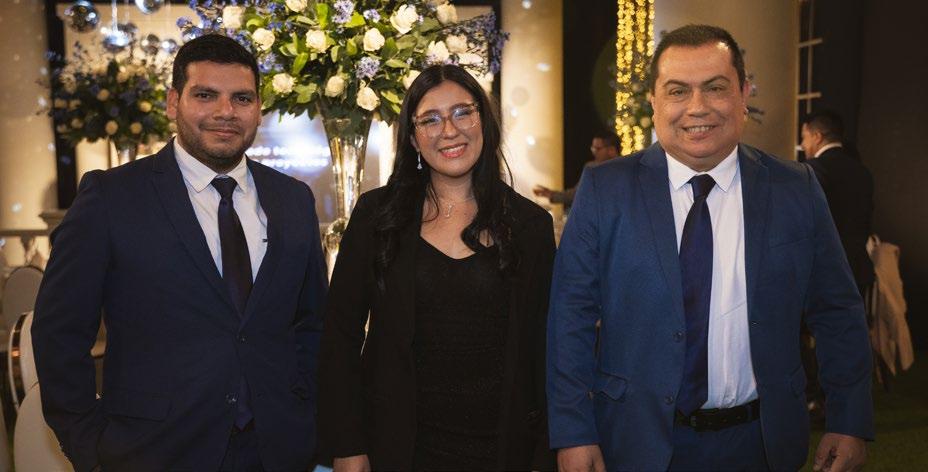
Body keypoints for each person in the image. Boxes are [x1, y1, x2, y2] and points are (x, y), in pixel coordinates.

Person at [547, 24, 872, 472]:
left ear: (743, 94)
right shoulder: (605, 189)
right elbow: (571, 317)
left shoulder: (796, 187)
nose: (697, 107)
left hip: (761, 445)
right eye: (678, 91)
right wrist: (573, 431)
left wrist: (849, 419)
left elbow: (836, 310)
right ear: (654, 101)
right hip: (635, 442)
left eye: (716, 88)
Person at [32, 34, 327, 471]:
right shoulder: (111, 198)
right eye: (205, 95)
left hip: (278, 450)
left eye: (242, 98)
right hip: (153, 451)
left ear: (258, 109)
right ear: (173, 102)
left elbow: (312, 325)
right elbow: (59, 332)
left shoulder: (293, 199)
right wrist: (91, 446)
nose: (226, 112)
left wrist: (307, 419)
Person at [318, 64, 556, 471]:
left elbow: (545, 349)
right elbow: (340, 335)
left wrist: (544, 454)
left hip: (502, 449)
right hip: (396, 450)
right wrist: (347, 445)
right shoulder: (377, 216)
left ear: (484, 121)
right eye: (430, 119)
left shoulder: (529, 225)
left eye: (463, 112)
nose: (449, 130)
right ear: (412, 137)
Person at [801, 110, 875, 293]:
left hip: (823, 273)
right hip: (857, 269)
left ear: (817, 136)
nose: (802, 145)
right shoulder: (863, 172)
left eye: (804, 137)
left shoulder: (811, 170)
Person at [533, 132, 621, 208]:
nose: (594, 152)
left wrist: (552, 195)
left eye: (597, 149)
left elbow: (578, 194)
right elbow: (578, 193)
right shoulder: (592, 167)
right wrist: (552, 195)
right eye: (593, 148)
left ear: (612, 150)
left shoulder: (623, 171)